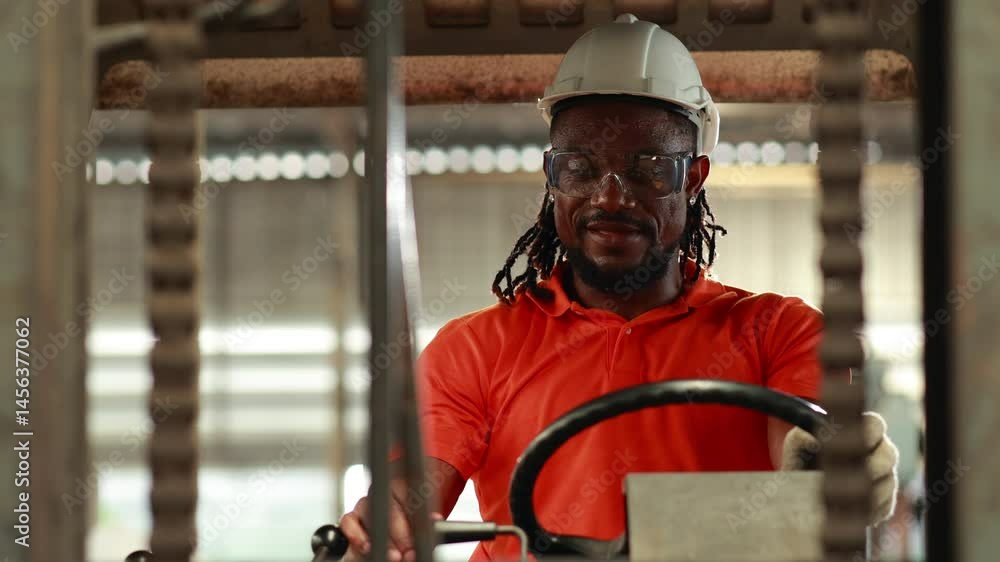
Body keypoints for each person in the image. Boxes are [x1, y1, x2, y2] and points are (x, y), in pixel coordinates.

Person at [339, 14, 899, 562]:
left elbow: (803, 447)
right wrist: (385, 521)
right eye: (580, 168)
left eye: (649, 167)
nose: (610, 197)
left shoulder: (778, 332)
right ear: (551, 175)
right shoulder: (475, 350)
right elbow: (411, 493)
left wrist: (835, 465)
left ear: (694, 177)